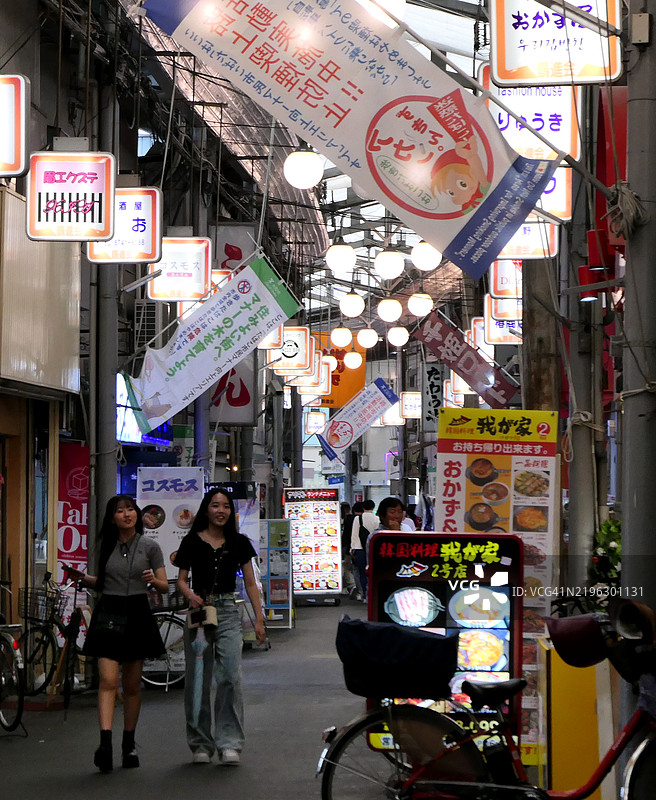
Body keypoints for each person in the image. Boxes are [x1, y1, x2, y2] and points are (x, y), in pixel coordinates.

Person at [70, 495, 169, 773]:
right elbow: (102, 583)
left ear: (136, 514)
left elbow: (164, 586)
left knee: (133, 684)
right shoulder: (105, 545)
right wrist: (82, 578)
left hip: (138, 609)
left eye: (130, 510)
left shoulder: (150, 546)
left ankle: (129, 744)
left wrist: (153, 580)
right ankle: (105, 744)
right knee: (108, 679)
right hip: (109, 610)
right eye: (120, 511)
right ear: (112, 517)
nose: (126, 515)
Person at [174, 487, 266, 765]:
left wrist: (260, 622)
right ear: (207, 509)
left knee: (230, 677)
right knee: (198, 680)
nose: (221, 511)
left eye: (225, 506)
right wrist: (190, 595)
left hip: (227, 611)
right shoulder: (191, 541)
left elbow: (251, 583)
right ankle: (200, 743)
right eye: (215, 505)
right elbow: (180, 580)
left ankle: (229, 742)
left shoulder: (239, 542)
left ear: (231, 511)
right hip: (198, 613)